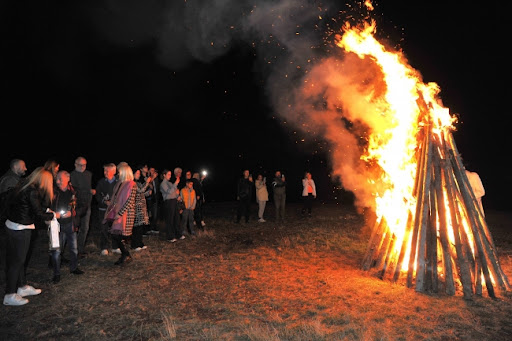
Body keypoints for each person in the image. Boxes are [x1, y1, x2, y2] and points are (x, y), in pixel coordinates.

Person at [3, 167, 54, 306]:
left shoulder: (23, 185)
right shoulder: (32, 190)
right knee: (17, 262)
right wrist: (53, 215)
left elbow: (29, 206)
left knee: (19, 260)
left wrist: (43, 210)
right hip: (21, 228)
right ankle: (10, 294)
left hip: (12, 225)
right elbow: (38, 214)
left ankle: (22, 287)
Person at [49, 170, 84, 284]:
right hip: (56, 225)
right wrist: (51, 214)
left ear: (68, 179)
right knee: (56, 251)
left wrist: (73, 213)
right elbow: (46, 205)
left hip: (71, 224)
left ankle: (73, 268)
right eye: (57, 179)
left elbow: (84, 206)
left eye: (60, 179)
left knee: (73, 248)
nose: (58, 181)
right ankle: (56, 274)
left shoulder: (75, 191)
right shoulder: (53, 191)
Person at [103, 163, 136, 265]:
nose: (118, 173)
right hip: (117, 213)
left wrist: (120, 213)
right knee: (115, 234)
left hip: (126, 215)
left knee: (121, 235)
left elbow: (129, 201)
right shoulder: (119, 183)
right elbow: (116, 197)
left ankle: (125, 255)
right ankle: (125, 254)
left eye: (120, 171)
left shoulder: (131, 184)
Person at [70, 156, 96, 257]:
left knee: (85, 227)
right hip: (76, 205)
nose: (82, 167)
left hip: (87, 204)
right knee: (74, 227)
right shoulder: (72, 175)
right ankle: (73, 249)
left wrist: (92, 192)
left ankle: (80, 249)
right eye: (80, 165)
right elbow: (74, 190)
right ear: (75, 165)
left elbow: (89, 187)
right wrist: (88, 191)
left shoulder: (88, 174)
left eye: (84, 165)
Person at [95, 163, 118, 255]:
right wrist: (104, 201)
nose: (105, 172)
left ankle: (115, 246)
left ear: (114, 171)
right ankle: (104, 247)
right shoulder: (101, 182)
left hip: (115, 210)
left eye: (107, 171)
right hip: (103, 210)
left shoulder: (117, 182)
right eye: (104, 170)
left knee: (115, 228)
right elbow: (97, 194)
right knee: (104, 228)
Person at [160, 169, 183, 242]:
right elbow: (169, 192)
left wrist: (177, 196)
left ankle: (178, 234)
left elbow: (174, 191)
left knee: (176, 218)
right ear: (164, 175)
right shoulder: (163, 183)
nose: (170, 176)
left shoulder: (170, 183)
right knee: (170, 219)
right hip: (168, 202)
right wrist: (175, 183)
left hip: (174, 201)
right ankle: (170, 237)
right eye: (168, 174)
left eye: (170, 174)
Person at [131, 168, 150, 251]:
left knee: (140, 226)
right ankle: (134, 244)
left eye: (139, 173)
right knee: (136, 226)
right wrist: (147, 182)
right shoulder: (132, 183)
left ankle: (140, 243)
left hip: (141, 206)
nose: (139, 175)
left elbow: (142, 192)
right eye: (137, 173)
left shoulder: (138, 183)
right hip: (135, 206)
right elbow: (140, 190)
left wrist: (147, 193)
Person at [148, 167, 161, 234]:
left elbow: (158, 189)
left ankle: (154, 227)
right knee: (150, 214)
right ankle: (149, 228)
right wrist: (153, 178)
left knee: (155, 214)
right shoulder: (148, 177)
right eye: (151, 170)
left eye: (154, 170)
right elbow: (147, 184)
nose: (153, 172)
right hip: (149, 199)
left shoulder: (156, 179)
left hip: (155, 199)